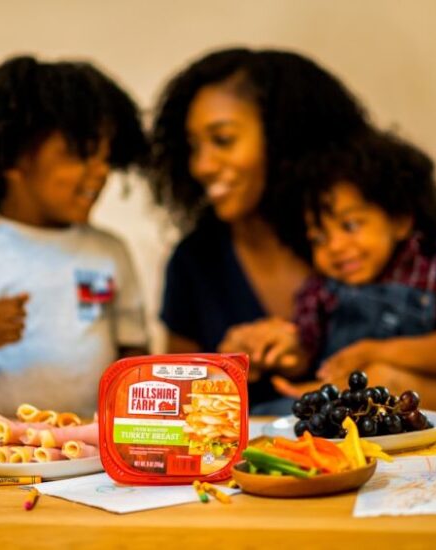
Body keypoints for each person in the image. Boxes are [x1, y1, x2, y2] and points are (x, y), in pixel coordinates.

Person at [149, 47, 372, 413]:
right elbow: (177, 406)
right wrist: (222, 369)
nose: (201, 165)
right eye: (193, 147)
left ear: (285, 139)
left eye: (222, 139)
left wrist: (393, 376)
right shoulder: (195, 260)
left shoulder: (383, 233)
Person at [0, 56, 148, 416]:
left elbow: (133, 354)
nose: (99, 173)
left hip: (92, 445)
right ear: (12, 159)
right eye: (79, 155)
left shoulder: (109, 250)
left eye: (105, 157)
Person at [240, 130, 436, 413]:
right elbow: (306, 349)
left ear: (400, 220)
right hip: (338, 410)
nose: (336, 246)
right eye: (319, 238)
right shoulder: (320, 288)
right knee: (260, 414)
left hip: (415, 411)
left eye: (350, 225)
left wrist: (375, 352)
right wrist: (287, 355)